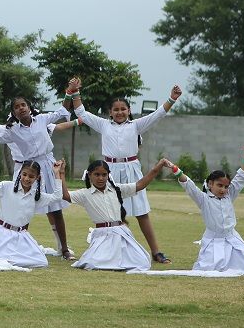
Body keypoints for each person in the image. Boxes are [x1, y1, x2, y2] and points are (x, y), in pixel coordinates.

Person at [72, 85, 183, 264]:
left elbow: (158, 114)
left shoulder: (136, 125)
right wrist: (75, 92)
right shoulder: (103, 124)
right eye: (116, 110)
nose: (119, 112)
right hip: (109, 171)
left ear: (129, 110)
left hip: (132, 169)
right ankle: (111, 252)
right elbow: (81, 112)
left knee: (141, 212)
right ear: (110, 112)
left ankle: (156, 252)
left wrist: (172, 98)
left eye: (123, 109)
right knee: (111, 213)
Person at [0, 79, 78, 260]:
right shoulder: (12, 129)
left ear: (29, 107)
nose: (21, 108)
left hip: (48, 164)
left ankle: (64, 249)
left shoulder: (42, 119)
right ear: (13, 112)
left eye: (23, 105)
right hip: (29, 168)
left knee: (55, 208)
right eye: (16, 107)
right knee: (23, 207)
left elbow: (61, 111)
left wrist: (69, 92)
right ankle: (18, 245)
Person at [59, 158, 170, 271]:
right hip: (102, 237)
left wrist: (159, 166)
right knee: (92, 263)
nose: (100, 178)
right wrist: (61, 173)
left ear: (108, 175)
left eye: (104, 175)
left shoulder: (117, 189)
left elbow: (140, 185)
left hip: (121, 235)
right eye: (97, 174)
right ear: (89, 175)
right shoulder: (85, 194)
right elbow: (65, 195)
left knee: (141, 261)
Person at [169, 144, 244, 275]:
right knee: (210, 268)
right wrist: (175, 169)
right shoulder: (203, 199)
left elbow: (241, 176)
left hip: (232, 238)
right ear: (210, 184)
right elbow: (189, 185)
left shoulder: (230, 194)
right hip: (213, 240)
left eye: (226, 186)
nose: (223, 189)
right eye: (219, 185)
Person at [0, 159, 67, 268]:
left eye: (31, 176)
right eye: (24, 174)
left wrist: (57, 173)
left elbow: (57, 197)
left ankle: (8, 261)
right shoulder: (6, 187)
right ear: (20, 173)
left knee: (42, 262)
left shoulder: (36, 196)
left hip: (21, 236)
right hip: (2, 235)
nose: (27, 179)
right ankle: (3, 259)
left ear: (37, 178)